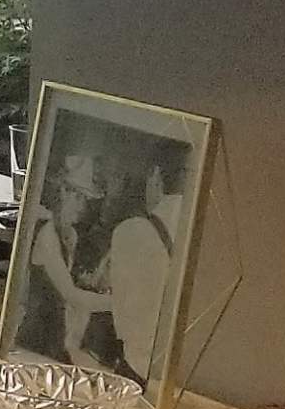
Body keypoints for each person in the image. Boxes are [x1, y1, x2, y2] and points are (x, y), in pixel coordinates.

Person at [12, 129, 192, 384]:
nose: (81, 203)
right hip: (37, 343)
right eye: (75, 194)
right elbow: (73, 296)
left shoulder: (72, 237)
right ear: (60, 192)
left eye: (85, 197)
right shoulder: (46, 235)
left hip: (64, 343)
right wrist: (129, 302)